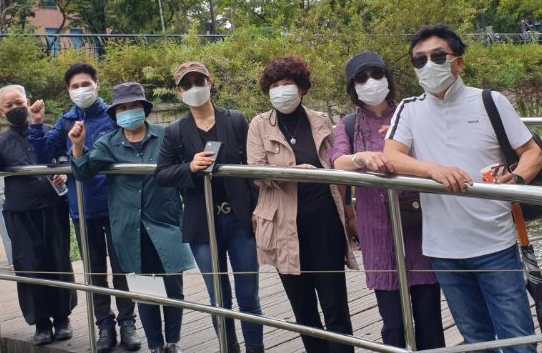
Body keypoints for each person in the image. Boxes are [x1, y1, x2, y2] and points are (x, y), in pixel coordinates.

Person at [383, 25, 542, 352]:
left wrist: (516, 180)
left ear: (459, 62)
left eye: (438, 56)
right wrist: (433, 169)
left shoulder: (489, 101)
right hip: (443, 249)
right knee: (475, 341)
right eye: (419, 60)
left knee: (519, 338)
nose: (429, 65)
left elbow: (532, 153)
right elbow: (392, 156)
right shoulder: (409, 109)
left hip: (495, 242)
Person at [328, 52, 445, 349]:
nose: (371, 82)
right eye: (361, 78)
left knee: (429, 314)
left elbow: (437, 153)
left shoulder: (410, 113)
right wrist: (362, 158)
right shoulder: (349, 125)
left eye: (376, 75)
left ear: (388, 78)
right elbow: (337, 161)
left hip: (417, 222)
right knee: (393, 322)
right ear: (353, 87)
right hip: (376, 228)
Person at [69, 82, 195, 353]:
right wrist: (78, 146)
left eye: (134, 106)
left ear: (145, 109)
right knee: (145, 289)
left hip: (167, 222)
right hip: (130, 227)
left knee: (173, 286)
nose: (128, 112)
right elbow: (83, 171)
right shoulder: (108, 143)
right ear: (115, 114)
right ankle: (155, 345)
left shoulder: (166, 135)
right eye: (122, 108)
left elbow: (187, 167)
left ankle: (173, 341)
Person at [247, 55, 357, 353]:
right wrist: (293, 172)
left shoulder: (321, 120)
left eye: (287, 84)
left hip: (324, 220)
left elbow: (337, 165)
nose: (280, 90)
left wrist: (349, 212)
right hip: (282, 225)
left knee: (335, 303)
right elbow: (256, 172)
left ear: (303, 88)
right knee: (303, 307)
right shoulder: (259, 125)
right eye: (274, 85)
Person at [28, 63, 141, 353]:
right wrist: (36, 124)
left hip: (117, 206)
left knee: (122, 268)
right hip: (83, 208)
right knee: (94, 271)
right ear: (68, 91)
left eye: (85, 84)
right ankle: (104, 326)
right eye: (74, 86)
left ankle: (128, 323)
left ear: (97, 85)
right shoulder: (66, 121)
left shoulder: (114, 116)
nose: (81, 90)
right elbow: (43, 154)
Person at [155, 61, 264, 353]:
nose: (194, 88)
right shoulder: (175, 131)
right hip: (201, 223)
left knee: (248, 295)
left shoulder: (236, 120)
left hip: (240, 220)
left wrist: (256, 209)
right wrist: (189, 167)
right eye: (187, 84)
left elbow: (253, 168)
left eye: (198, 81)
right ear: (179, 91)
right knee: (218, 298)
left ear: (210, 82)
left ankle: (256, 348)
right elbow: (162, 174)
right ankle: (229, 347)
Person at [0, 84, 77, 346]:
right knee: (29, 266)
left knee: (58, 260)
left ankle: (62, 318)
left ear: (28, 102)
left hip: (53, 208)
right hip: (21, 214)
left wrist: (64, 173)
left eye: (19, 102)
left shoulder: (49, 131)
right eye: (9, 105)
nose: (15, 108)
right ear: (1, 111)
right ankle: (41, 323)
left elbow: (66, 158)